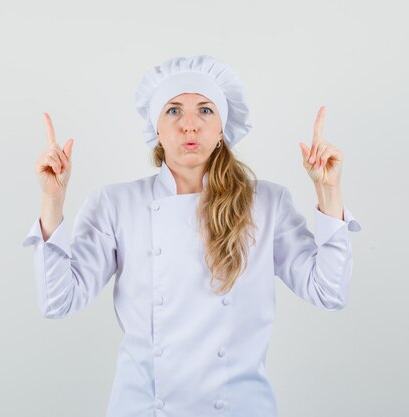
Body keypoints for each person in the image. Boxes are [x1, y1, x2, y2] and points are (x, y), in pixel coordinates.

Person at [22, 55, 362, 417]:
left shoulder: (266, 203)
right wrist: (53, 199)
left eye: (204, 110)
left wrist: (329, 192)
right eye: (173, 111)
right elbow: (59, 302)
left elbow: (329, 292)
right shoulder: (116, 204)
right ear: (155, 128)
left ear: (222, 130)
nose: (189, 125)